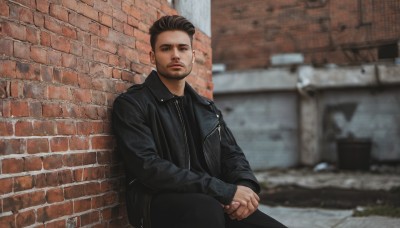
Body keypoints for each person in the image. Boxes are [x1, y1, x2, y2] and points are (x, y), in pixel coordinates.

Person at [112, 15, 287, 228]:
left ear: (193, 56)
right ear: (152, 56)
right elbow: (148, 167)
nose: (175, 55)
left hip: (211, 197)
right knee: (205, 208)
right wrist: (223, 191)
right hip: (157, 202)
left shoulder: (207, 108)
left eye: (183, 48)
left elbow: (232, 155)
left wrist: (244, 187)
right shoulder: (133, 104)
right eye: (166, 48)